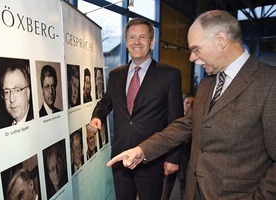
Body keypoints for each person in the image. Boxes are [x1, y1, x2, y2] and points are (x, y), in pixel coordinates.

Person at [107, 10, 276, 200]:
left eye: (196, 49)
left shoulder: (270, 83)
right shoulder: (208, 83)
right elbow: (185, 125)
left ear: (220, 40)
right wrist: (142, 150)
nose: (192, 58)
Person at [89, 17, 183, 200]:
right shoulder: (116, 74)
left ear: (152, 41)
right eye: (132, 37)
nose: (137, 42)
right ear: (126, 42)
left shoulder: (169, 75)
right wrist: (97, 116)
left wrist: (173, 157)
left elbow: (176, 121)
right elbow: (107, 102)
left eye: (142, 37)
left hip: (151, 158)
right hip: (120, 156)